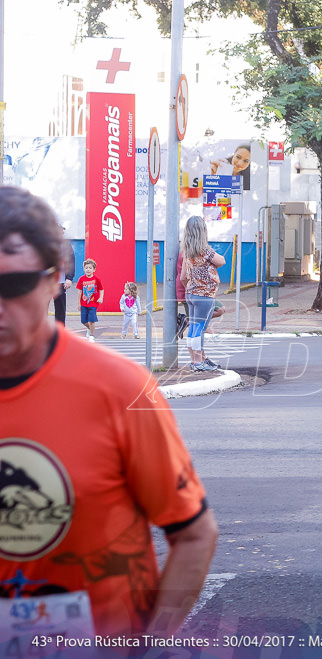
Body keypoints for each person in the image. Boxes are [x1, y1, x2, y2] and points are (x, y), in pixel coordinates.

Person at [0, 187, 218, 638]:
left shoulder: (120, 389)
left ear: (55, 279)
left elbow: (194, 534)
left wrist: (149, 643)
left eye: (13, 285)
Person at [180, 216, 227, 373]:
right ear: (202, 231)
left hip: (191, 294)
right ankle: (199, 362)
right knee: (199, 329)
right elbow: (221, 261)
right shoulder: (205, 249)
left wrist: (192, 288)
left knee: (193, 328)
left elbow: (183, 277)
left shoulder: (187, 251)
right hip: (205, 295)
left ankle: (194, 361)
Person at [76, 258, 103, 341]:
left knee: (91, 320)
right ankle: (89, 329)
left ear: (94, 269)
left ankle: (92, 335)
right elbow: (79, 292)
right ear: (84, 269)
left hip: (93, 304)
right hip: (84, 303)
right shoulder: (81, 279)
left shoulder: (96, 279)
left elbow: (101, 289)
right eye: (86, 268)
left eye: (90, 268)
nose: (88, 270)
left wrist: (101, 297)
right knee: (83, 321)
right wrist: (79, 303)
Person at [53, 227, 75, 324]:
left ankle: (60, 332)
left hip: (60, 282)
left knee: (60, 310)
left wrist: (69, 278)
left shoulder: (66, 246)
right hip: (46, 283)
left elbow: (71, 262)